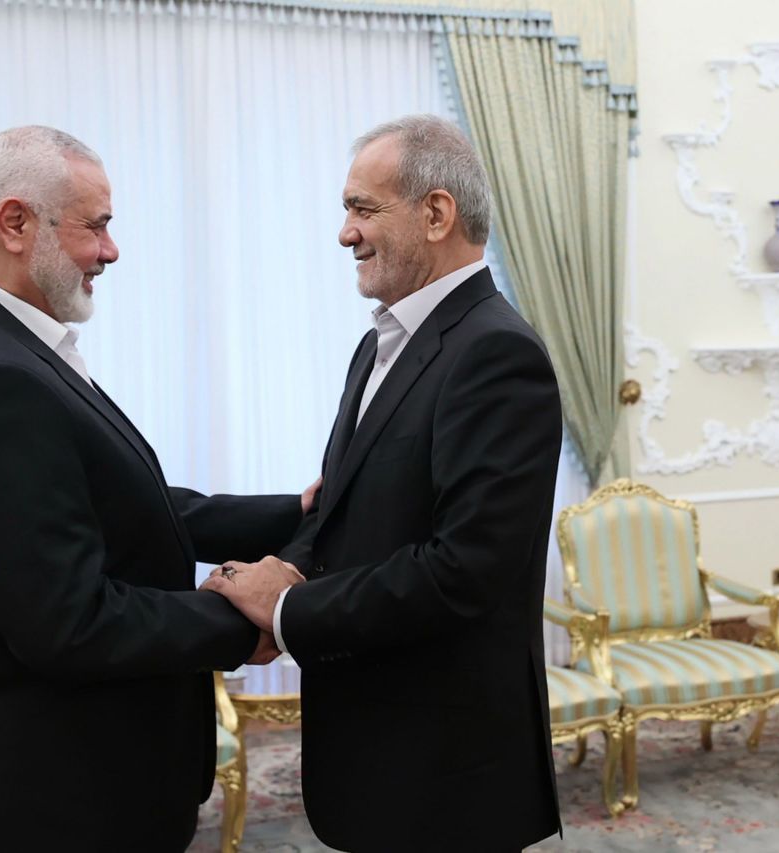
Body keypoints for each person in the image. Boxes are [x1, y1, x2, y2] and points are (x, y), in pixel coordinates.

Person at [0, 126, 311, 852]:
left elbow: (112, 506)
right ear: (16, 223)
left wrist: (292, 512)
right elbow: (70, 621)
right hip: (27, 794)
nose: (111, 249)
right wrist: (254, 617)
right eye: (96, 225)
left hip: (35, 769)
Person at [204, 115, 563, 851]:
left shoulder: (498, 353)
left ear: (436, 214)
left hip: (445, 767)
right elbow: (338, 503)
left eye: (363, 210)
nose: (345, 233)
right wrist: (288, 567)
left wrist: (290, 610)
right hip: (375, 745)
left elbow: (466, 571)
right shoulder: (378, 345)